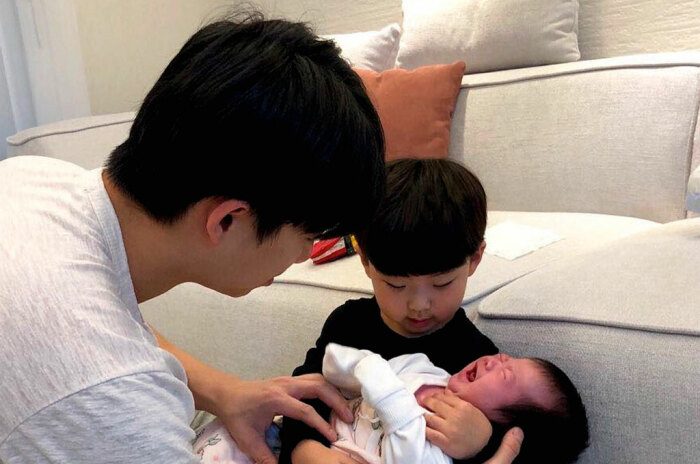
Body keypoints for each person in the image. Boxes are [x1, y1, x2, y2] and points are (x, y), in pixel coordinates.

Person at [0, 13, 384, 464]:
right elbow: (98, 375)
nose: (307, 254)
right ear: (227, 220)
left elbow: (100, 331)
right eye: (310, 234)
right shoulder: (118, 410)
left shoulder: (33, 179)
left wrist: (224, 391)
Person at [280, 158, 521, 464]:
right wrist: (305, 451)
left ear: (474, 259)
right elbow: (304, 393)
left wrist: (483, 442)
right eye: (396, 285)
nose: (419, 305)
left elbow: (534, 433)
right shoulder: (349, 324)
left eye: (442, 283)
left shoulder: (474, 357)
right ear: (365, 261)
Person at [192, 344, 588, 464]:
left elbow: (405, 450)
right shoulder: (428, 369)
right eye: (505, 358)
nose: (494, 360)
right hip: (287, 435)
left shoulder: (441, 450)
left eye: (505, 375)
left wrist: (373, 374)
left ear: (503, 423)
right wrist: (346, 366)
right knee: (218, 433)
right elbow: (350, 370)